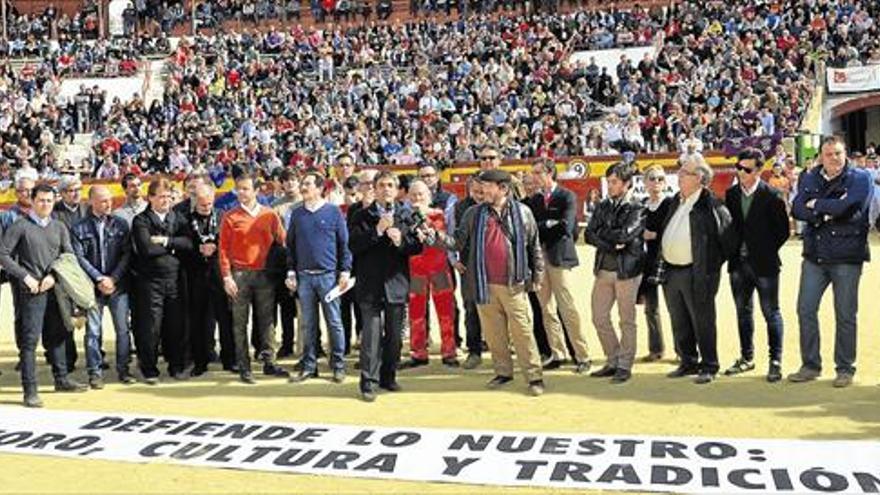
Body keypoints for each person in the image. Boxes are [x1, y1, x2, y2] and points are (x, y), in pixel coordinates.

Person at [438, 169, 546, 396]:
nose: (482, 191)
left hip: (513, 283)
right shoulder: (473, 213)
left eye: (487, 187)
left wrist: (537, 276)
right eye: (481, 186)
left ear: (503, 189)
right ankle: (503, 372)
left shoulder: (523, 212)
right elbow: (457, 242)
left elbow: (534, 246)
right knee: (494, 332)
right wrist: (435, 237)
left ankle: (534, 376)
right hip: (483, 283)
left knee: (523, 332)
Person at [789, 136, 872, 388]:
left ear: (844, 153)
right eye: (828, 154)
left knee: (845, 314)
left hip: (847, 256)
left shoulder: (860, 177)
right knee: (805, 309)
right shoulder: (809, 176)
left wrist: (817, 206)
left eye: (838, 153)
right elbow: (796, 208)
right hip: (815, 255)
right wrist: (827, 210)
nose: (834, 158)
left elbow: (850, 207)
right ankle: (810, 365)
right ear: (820, 156)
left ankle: (845, 368)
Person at [0, 183, 88, 407]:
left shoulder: (59, 227)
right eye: (41, 200)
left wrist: (54, 276)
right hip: (31, 291)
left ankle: (61, 379)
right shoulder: (20, 226)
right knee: (29, 342)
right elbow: (3, 254)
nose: (45, 204)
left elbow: (68, 255)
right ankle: (30, 390)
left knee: (57, 336)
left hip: (54, 289)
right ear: (32, 200)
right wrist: (25, 276)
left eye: (49, 201)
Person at [658, 156, 735, 385]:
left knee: (702, 320)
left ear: (699, 178)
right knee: (679, 319)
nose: (679, 176)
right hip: (672, 271)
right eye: (680, 172)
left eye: (684, 172)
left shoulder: (711, 204)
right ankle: (688, 360)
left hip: (698, 272)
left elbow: (727, 240)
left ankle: (709, 364)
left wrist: (709, 267)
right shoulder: (676, 201)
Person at [348, 171, 423, 402]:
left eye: (391, 185)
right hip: (370, 284)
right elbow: (354, 245)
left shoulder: (407, 214)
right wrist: (378, 231)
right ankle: (368, 383)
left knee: (394, 337)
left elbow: (416, 247)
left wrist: (402, 241)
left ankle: (388, 377)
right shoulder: (361, 215)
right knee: (371, 336)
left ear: (397, 188)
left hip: (396, 283)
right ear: (375, 188)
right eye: (382, 185)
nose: (386, 189)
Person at [723, 148, 790, 382]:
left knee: (771, 313)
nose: (741, 172)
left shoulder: (772, 195)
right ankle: (746, 357)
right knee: (743, 313)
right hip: (738, 265)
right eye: (738, 168)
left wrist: (763, 250)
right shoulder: (731, 194)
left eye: (747, 169)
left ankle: (775, 360)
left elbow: (782, 231)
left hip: (765, 264)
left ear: (759, 170)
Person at [218, 172, 290, 384]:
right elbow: (222, 250)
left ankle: (269, 362)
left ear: (256, 190)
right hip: (239, 275)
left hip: (265, 275)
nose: (241, 193)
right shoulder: (229, 216)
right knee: (240, 323)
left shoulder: (269, 214)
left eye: (246, 188)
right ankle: (244, 366)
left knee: (267, 322)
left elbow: (283, 241)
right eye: (238, 189)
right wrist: (226, 277)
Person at [286, 171, 353, 384]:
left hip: (329, 278)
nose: (303, 187)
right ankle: (309, 366)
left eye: (307, 184)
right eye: (303, 183)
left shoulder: (334, 212)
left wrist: (344, 271)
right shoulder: (296, 214)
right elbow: (291, 246)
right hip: (304, 278)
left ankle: (338, 365)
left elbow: (344, 244)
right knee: (308, 324)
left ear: (319, 187)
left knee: (334, 322)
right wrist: (291, 272)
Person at [585, 162, 645, 383]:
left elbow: (625, 236)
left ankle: (624, 364)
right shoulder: (602, 206)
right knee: (599, 317)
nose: (609, 186)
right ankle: (612, 359)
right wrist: (610, 243)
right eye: (608, 181)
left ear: (627, 184)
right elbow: (590, 234)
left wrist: (604, 234)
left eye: (614, 182)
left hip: (626, 271)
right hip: (604, 269)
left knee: (626, 320)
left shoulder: (637, 208)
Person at [528, 158, 591, 373]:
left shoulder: (566, 196)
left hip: (557, 255)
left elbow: (566, 226)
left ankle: (582, 355)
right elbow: (531, 229)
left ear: (549, 173)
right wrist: (547, 224)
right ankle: (558, 352)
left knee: (566, 305)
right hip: (539, 257)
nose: (534, 177)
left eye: (537, 173)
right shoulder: (535, 200)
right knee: (546, 308)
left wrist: (543, 226)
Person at [71, 185, 135, 389]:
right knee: (93, 332)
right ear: (91, 201)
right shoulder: (78, 227)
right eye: (103, 200)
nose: (109, 204)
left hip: (118, 286)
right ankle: (95, 373)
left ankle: (124, 369)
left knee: (123, 330)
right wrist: (99, 278)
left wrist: (113, 279)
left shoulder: (121, 224)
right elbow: (79, 257)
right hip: (92, 287)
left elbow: (127, 255)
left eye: (110, 200)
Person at [132, 178, 193, 384]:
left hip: (175, 280)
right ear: (150, 198)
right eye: (161, 196)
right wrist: (175, 247)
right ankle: (148, 368)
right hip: (150, 281)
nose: (166, 200)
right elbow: (147, 249)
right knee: (151, 326)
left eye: (168, 196)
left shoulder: (178, 218)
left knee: (175, 325)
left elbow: (189, 243)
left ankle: (176, 366)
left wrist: (166, 241)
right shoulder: (141, 220)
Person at [400, 180, 458, 368]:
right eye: (414, 194)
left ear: (429, 196)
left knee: (446, 312)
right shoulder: (404, 216)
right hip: (416, 270)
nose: (418, 198)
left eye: (421, 194)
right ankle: (418, 352)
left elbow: (445, 242)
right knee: (416, 313)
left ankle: (449, 351)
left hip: (439, 269)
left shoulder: (439, 215)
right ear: (408, 197)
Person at [184, 183, 233, 376]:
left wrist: (217, 246)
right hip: (196, 274)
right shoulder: (185, 219)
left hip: (219, 273)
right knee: (198, 320)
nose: (207, 208)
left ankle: (230, 359)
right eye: (203, 204)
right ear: (195, 201)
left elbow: (230, 241)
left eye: (210, 203)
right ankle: (200, 361)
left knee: (225, 317)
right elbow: (182, 244)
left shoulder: (222, 216)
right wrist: (197, 249)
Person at [637, 164, 672, 362]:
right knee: (651, 308)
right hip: (647, 261)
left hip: (667, 259)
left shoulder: (670, 203)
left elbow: (672, 230)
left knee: (676, 308)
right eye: (652, 178)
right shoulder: (642, 205)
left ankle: (684, 351)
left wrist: (654, 235)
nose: (656, 182)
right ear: (645, 182)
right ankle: (656, 349)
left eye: (660, 178)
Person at [454, 173, 484, 369]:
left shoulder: (496, 206)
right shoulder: (461, 208)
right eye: (475, 191)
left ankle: (501, 347)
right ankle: (474, 350)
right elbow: (455, 235)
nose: (479, 195)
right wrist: (456, 259)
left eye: (482, 191)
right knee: (471, 308)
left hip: (493, 265)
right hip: (468, 265)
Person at [272, 168, 301, 359]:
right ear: (281, 183)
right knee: (286, 304)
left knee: (307, 303)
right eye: (286, 180)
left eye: (293, 180)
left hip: (304, 258)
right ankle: (287, 342)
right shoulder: (276, 206)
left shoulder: (306, 202)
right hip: (283, 259)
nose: (290, 183)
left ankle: (313, 342)